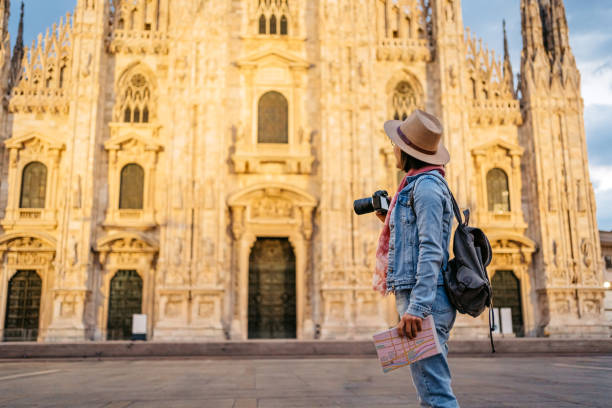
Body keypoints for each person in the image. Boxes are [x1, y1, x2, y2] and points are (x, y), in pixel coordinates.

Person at [373, 109, 459, 408]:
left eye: (396, 145)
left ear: (408, 152)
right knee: (428, 393)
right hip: (422, 299)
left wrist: (418, 307)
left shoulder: (426, 188)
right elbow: (417, 238)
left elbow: (432, 248)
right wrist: (392, 218)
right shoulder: (417, 185)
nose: (393, 149)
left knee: (437, 396)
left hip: (427, 300)